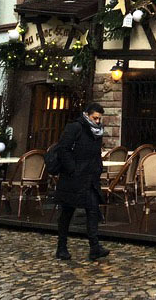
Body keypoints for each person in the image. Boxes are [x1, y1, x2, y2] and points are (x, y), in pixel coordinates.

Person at [54, 102, 109, 261]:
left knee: (92, 210)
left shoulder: (97, 132)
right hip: (73, 178)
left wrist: (97, 168)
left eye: (99, 119)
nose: (98, 122)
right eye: (95, 118)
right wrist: (72, 168)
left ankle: (94, 247)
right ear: (87, 115)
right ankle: (61, 247)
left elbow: (96, 152)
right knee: (67, 212)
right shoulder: (75, 127)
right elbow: (63, 148)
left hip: (90, 178)